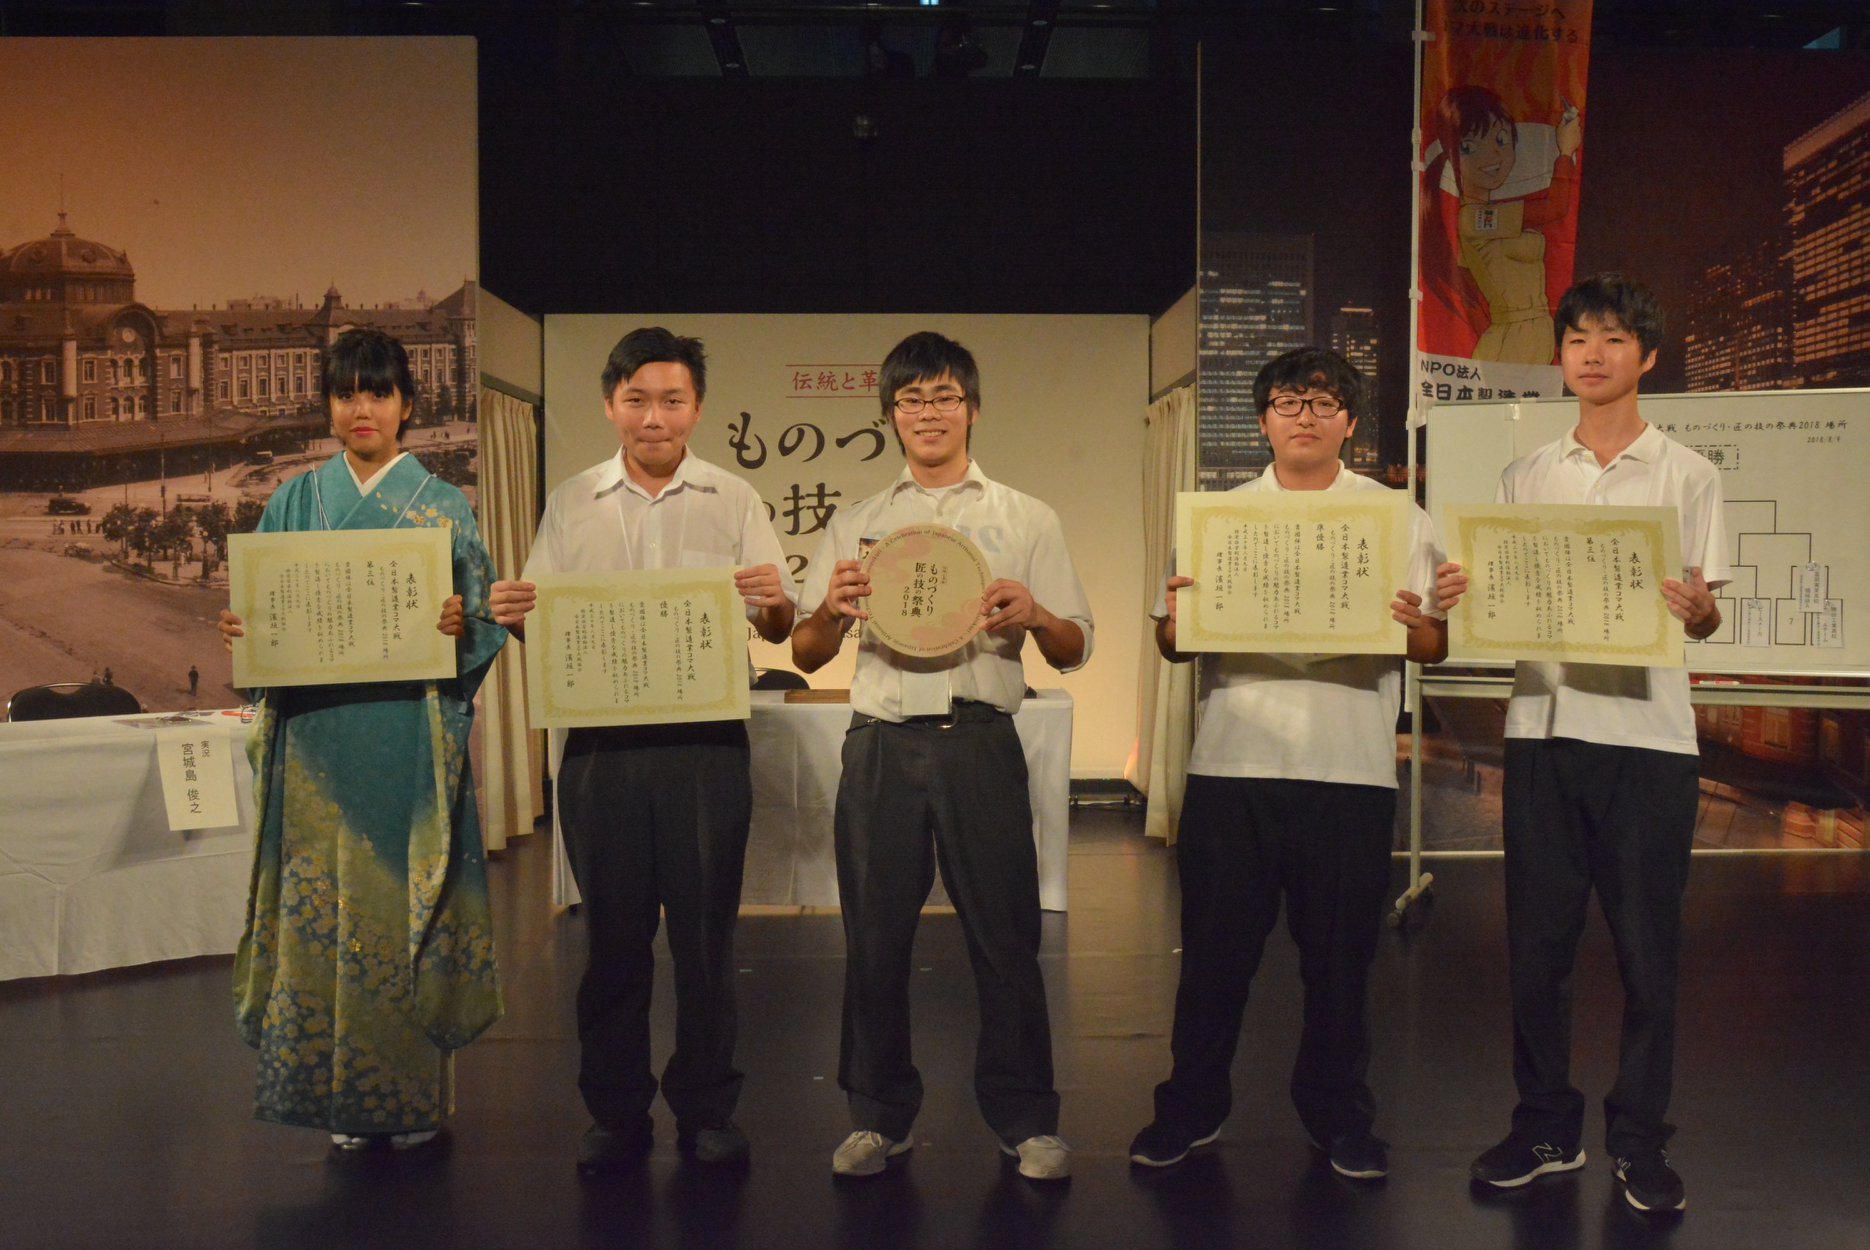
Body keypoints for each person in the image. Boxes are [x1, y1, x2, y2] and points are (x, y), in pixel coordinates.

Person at [1127, 347, 1464, 1179]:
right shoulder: (1220, 518)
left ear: (1349, 423)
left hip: (1349, 771)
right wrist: (1174, 620)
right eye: (1287, 402)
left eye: (1322, 403)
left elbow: (1433, 646)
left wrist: (1421, 623)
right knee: (1213, 959)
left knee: (1340, 964)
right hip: (1232, 766)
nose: (1304, 417)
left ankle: (1339, 1117)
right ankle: (1191, 1108)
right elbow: (1173, 642)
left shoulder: (1398, 519)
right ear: (1264, 421)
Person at [488, 327, 795, 1174]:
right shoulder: (572, 501)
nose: (653, 417)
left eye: (671, 400)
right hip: (602, 751)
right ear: (609, 405)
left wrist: (773, 601)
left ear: (697, 407)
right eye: (637, 400)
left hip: (705, 747)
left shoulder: (734, 498)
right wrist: (515, 616)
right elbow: (545, 625)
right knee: (613, 941)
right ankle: (615, 1109)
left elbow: (778, 626)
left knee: (705, 941)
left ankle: (707, 1104)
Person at [791, 331, 1093, 1182]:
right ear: (891, 415)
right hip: (881, 744)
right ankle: (877, 1117)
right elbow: (807, 652)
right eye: (911, 399)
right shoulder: (857, 520)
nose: (929, 412)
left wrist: (1036, 615)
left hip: (979, 740)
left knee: (1006, 940)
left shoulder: (1026, 517)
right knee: (874, 940)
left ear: (973, 408)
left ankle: (1027, 1120)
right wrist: (834, 610)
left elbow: (1075, 646)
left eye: (945, 396)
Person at [1463, 274, 1726, 1214]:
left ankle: (1640, 1141)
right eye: (1579, 339)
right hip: (1543, 730)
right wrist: (1468, 595)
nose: (1593, 354)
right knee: (1537, 950)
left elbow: (1705, 613)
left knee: (1648, 954)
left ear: (1646, 357)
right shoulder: (1527, 475)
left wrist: (1699, 610)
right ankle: (1544, 1125)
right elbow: (1506, 598)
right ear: (1562, 355)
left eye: (1614, 338)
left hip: (1649, 742)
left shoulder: (1689, 474)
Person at [217, 327, 506, 1152]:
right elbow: (264, 621)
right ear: (328, 407)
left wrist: (458, 625)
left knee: (399, 912)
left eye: (377, 392)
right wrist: (245, 630)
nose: (361, 409)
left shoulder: (444, 505)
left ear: (407, 404)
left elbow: (483, 623)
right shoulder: (292, 502)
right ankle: (335, 1101)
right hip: (316, 740)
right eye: (345, 394)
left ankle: (407, 1098)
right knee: (320, 919)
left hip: (403, 739)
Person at [1420, 85, 1582, 365]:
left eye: (1501, 139)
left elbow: (1469, 295)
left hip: (1530, 337)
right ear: (1451, 155)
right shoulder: (1472, 219)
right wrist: (1565, 152)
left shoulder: (1484, 216)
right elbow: (1555, 208)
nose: (1492, 156)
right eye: (1469, 147)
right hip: (1513, 342)